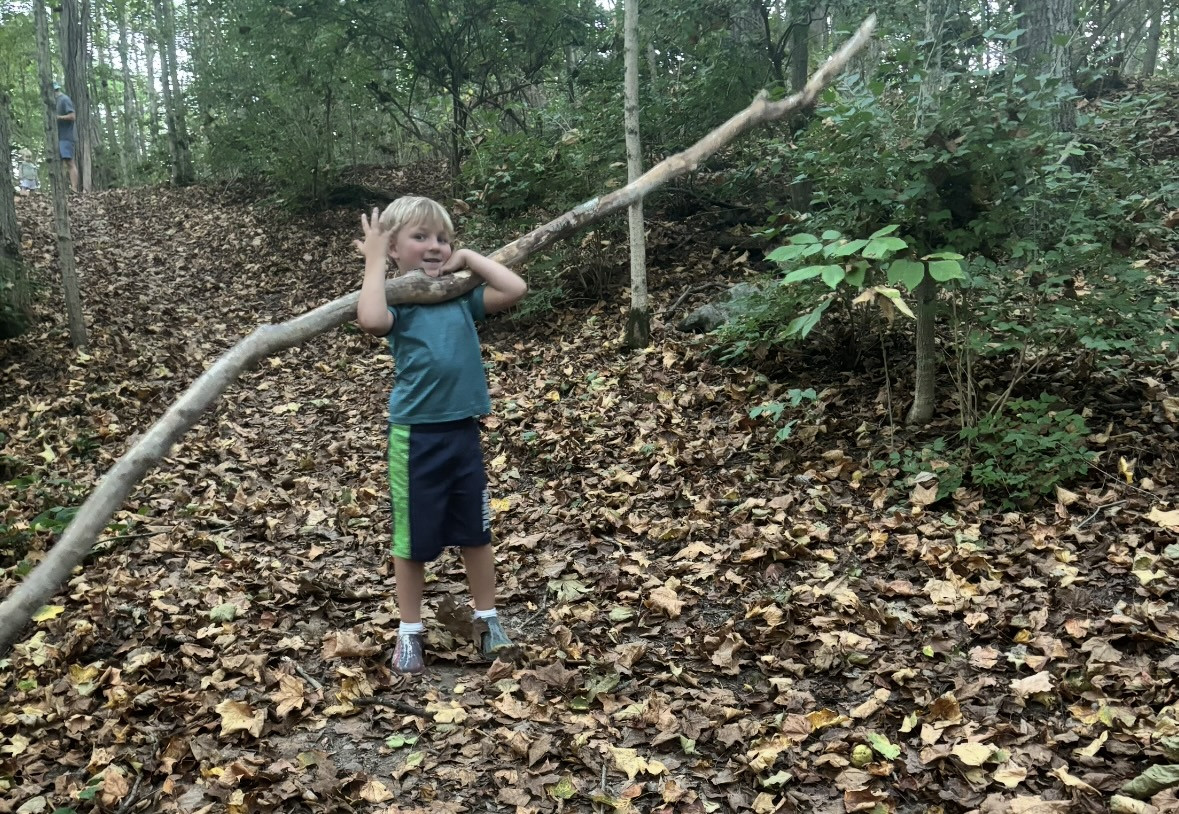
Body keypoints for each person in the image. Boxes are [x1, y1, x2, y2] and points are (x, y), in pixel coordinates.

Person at [354, 196, 528, 675]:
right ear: (394, 248)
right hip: (415, 438)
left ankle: (487, 620)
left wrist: (468, 258)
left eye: (443, 239)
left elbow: (515, 288)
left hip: (462, 432)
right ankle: (410, 629)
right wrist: (374, 262)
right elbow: (371, 320)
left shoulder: (458, 294)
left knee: (476, 531)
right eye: (420, 237)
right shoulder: (397, 297)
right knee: (412, 539)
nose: (435, 246)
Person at [51, 82, 79, 193]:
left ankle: (74, 188)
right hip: (57, 137)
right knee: (58, 163)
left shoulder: (64, 99)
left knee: (69, 162)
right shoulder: (54, 102)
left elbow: (72, 116)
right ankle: (61, 188)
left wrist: (58, 117)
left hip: (66, 136)